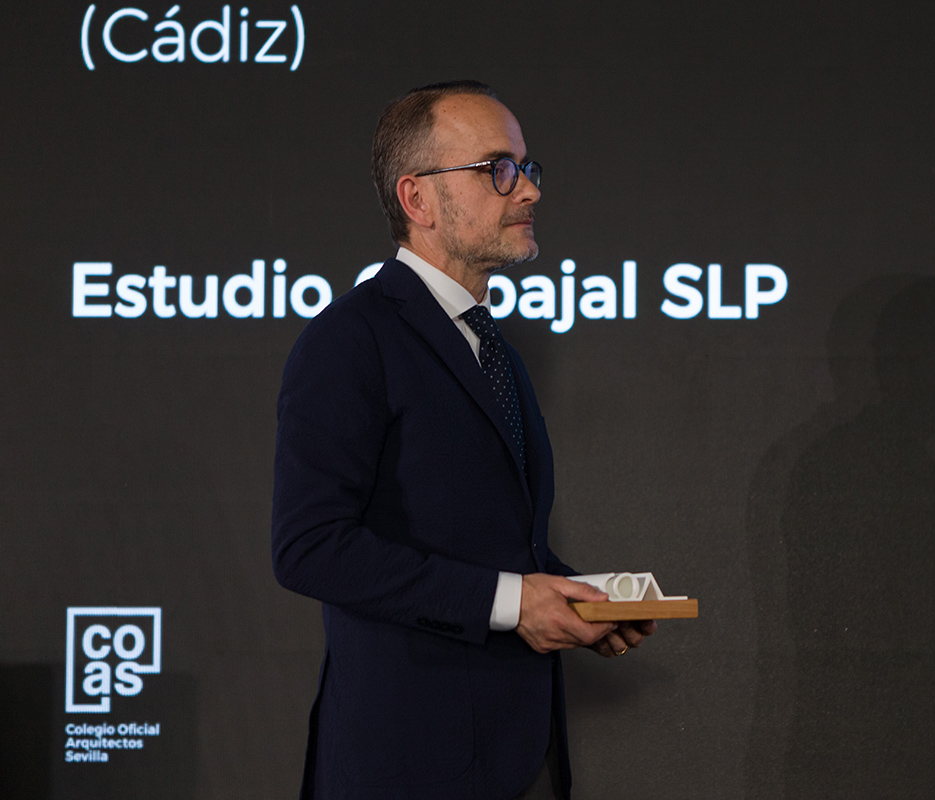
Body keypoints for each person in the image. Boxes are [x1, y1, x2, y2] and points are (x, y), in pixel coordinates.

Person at [271, 80, 655, 800]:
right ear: (417, 199)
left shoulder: (492, 347)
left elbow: (494, 544)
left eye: (526, 167)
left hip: (522, 753)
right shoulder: (351, 340)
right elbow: (310, 547)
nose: (529, 189)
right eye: (496, 169)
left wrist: (577, 600)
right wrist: (513, 603)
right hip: (410, 764)